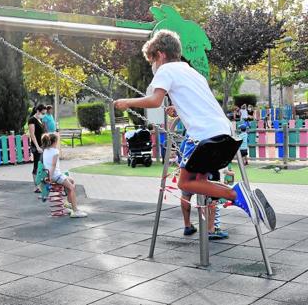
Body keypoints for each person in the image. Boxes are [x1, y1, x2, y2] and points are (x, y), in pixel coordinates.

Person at [113, 30, 276, 231]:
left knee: (185, 184)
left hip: (204, 136)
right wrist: (179, 110)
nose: (153, 65)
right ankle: (247, 200)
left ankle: (236, 194)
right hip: (225, 135)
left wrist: (126, 102)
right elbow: (199, 102)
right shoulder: (191, 72)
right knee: (201, 180)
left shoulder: (166, 70)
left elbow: (155, 101)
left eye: (152, 60)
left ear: (161, 54)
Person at [41, 133, 87, 218]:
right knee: (71, 188)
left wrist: (48, 176)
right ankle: (75, 211)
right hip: (55, 175)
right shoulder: (55, 151)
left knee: (71, 180)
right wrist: (50, 178)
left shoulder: (45, 151)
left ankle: (68, 203)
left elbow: (45, 165)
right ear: (54, 142)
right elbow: (53, 165)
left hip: (53, 174)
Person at [28, 104, 47, 193]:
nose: (44, 114)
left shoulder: (40, 119)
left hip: (43, 146)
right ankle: (36, 187)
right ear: (38, 111)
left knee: (42, 166)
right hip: (37, 147)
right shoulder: (32, 120)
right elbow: (32, 135)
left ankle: (41, 184)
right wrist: (37, 146)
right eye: (43, 113)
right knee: (36, 166)